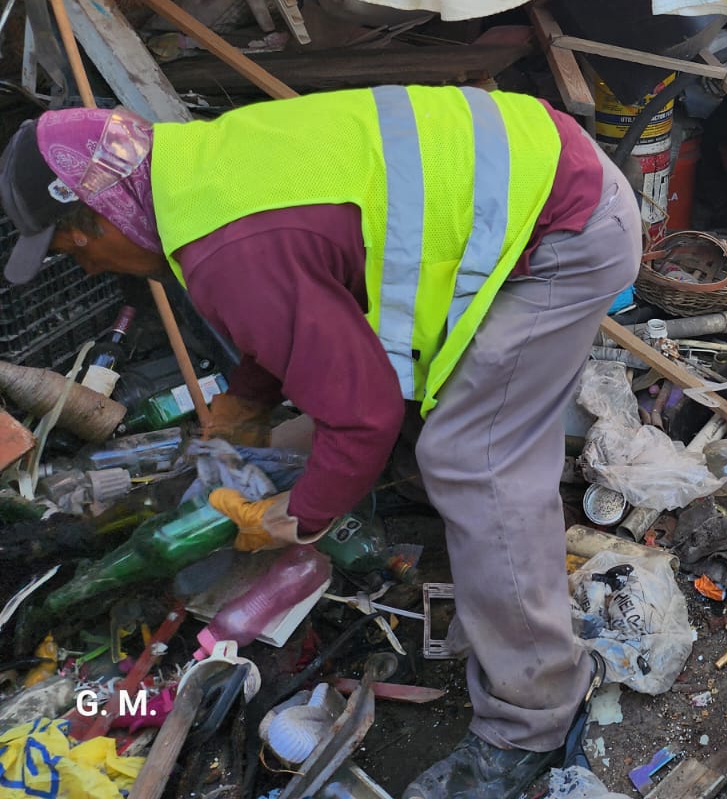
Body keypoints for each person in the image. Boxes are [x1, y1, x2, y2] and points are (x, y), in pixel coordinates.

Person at [0, 88, 640, 799]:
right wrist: (248, 394)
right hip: (530, 179)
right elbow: (295, 286)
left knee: (474, 461)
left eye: (72, 245)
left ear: (102, 209)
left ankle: (534, 716)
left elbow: (362, 414)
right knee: (442, 439)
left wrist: (301, 515)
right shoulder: (193, 170)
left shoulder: (222, 249)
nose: (88, 269)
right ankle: (480, 561)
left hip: (561, 232)